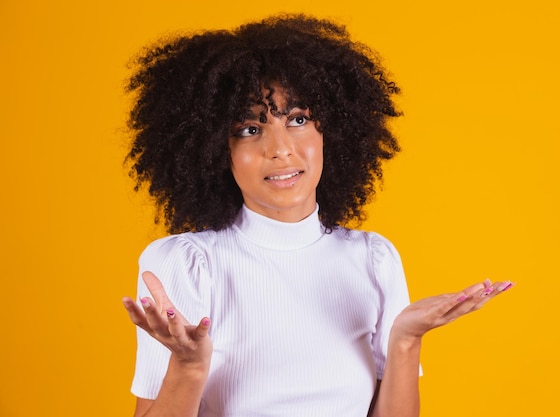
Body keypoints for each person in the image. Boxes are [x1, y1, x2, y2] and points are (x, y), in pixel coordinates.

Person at [121, 14, 514, 417]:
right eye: (250, 129)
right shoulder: (187, 263)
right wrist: (187, 367)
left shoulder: (373, 258)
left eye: (298, 119)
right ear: (215, 150)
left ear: (332, 130)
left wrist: (406, 340)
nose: (281, 148)